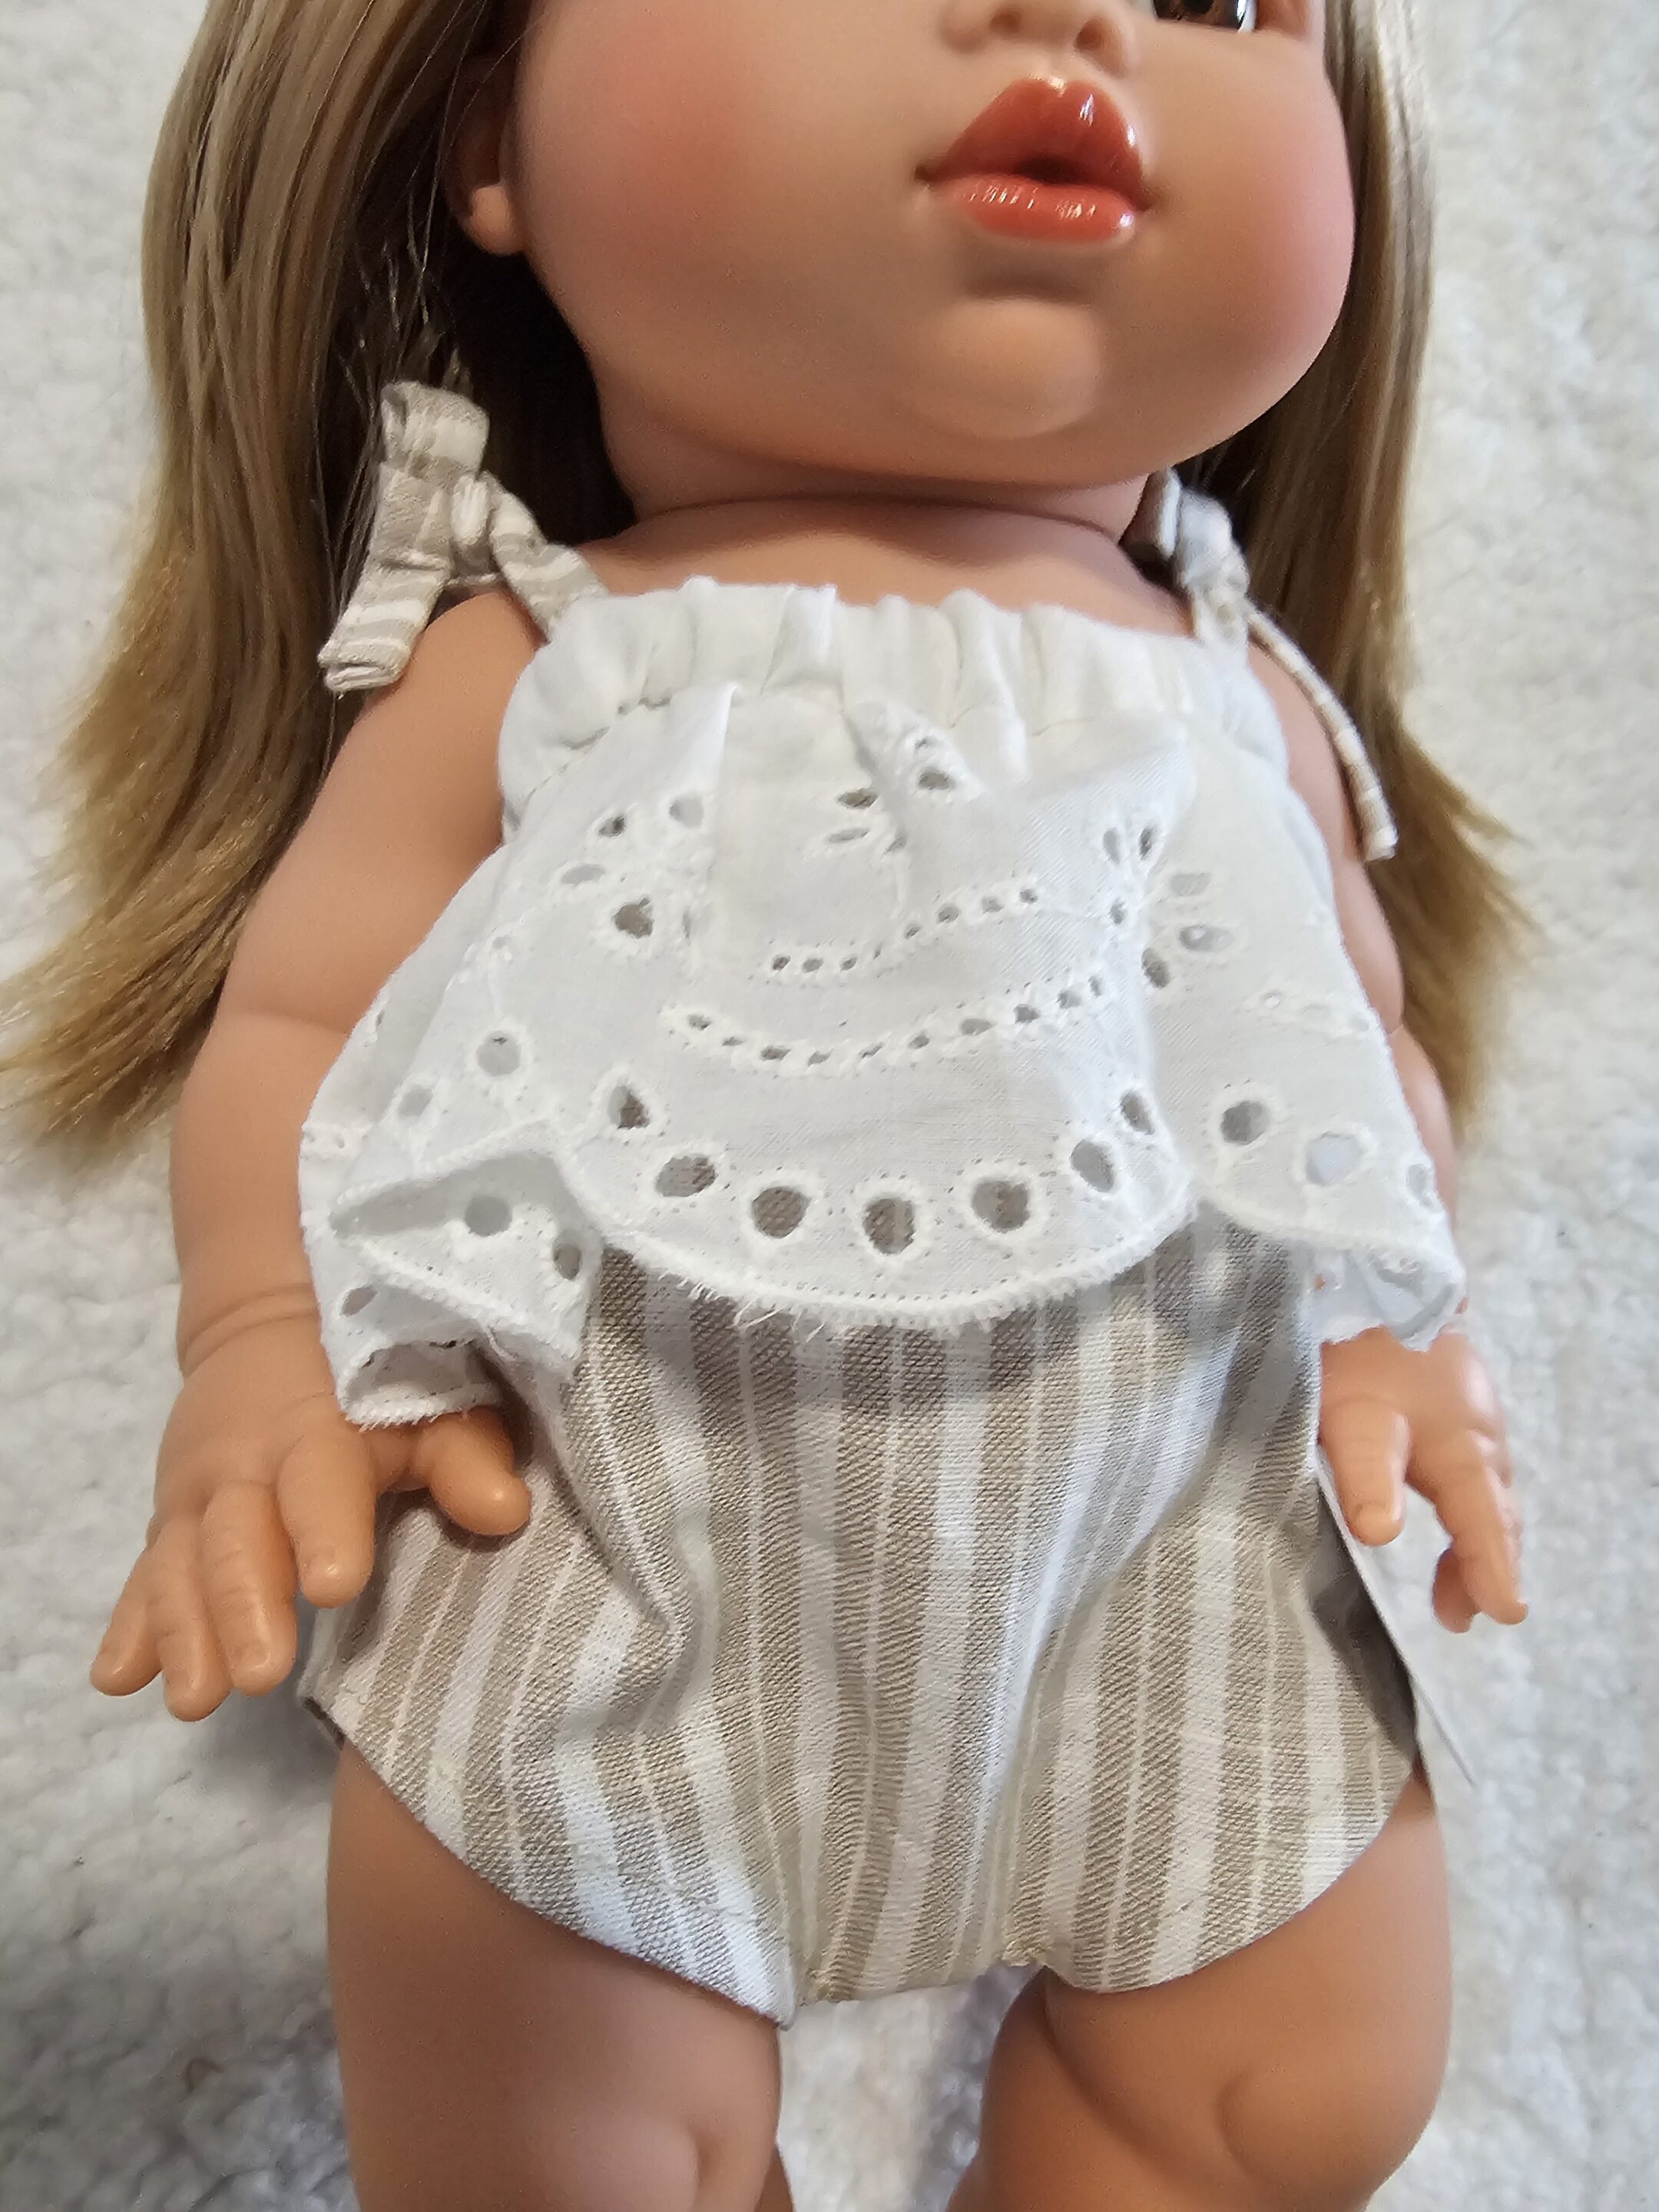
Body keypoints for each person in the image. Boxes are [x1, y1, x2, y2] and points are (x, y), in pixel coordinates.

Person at [7, 0, 1525, 2204]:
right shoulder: (544, 654)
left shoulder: (1239, 696)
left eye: (1220, 0)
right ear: (486, 137)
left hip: (1170, 1572)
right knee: (552, 2134)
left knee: (1300, 2084)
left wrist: (1403, 1329)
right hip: (624, 1564)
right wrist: (258, 1340)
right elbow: (307, 1023)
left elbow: (1352, 1051)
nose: (1074, 15)